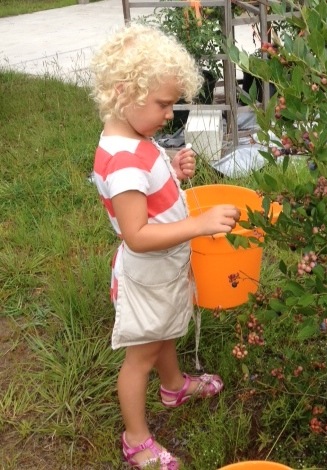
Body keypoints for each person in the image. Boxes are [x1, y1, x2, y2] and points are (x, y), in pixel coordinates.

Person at [90, 23, 240, 469]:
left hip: (166, 269)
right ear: (123, 92)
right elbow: (136, 234)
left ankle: (174, 386)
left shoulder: (136, 139)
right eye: (162, 103)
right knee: (142, 356)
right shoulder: (121, 161)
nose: (170, 113)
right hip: (149, 272)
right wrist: (198, 224)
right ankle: (136, 440)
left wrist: (173, 169)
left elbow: (152, 191)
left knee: (166, 331)